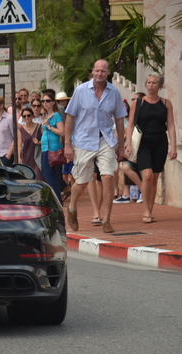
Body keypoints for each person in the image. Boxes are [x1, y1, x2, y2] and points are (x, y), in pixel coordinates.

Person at [64, 59, 127, 234]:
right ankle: (72, 207)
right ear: (92, 71)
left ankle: (106, 219)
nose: (100, 74)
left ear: (108, 73)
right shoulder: (81, 90)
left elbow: (120, 119)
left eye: (103, 71)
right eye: (97, 71)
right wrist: (68, 144)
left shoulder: (114, 92)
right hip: (84, 140)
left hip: (105, 138)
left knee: (108, 177)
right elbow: (70, 118)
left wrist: (121, 145)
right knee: (82, 182)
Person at [125, 73, 178, 223]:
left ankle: (150, 210)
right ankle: (146, 211)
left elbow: (171, 126)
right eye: (148, 82)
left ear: (159, 86)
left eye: (154, 83)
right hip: (143, 142)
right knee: (147, 176)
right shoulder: (139, 102)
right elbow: (130, 124)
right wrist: (128, 144)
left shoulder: (166, 103)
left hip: (160, 142)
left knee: (154, 179)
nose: (151, 85)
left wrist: (173, 146)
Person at [40, 94, 65, 205]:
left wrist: (49, 126)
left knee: (51, 177)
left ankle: (57, 202)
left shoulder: (56, 116)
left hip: (53, 149)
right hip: (45, 148)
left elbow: (62, 131)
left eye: (48, 101)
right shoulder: (46, 116)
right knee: (47, 176)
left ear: (53, 102)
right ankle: (55, 200)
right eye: (43, 101)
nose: (45, 103)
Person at [17, 107, 44, 180]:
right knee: (28, 180)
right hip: (26, 157)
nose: (27, 117)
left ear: (32, 116)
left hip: (37, 157)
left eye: (28, 115)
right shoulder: (20, 130)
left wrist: (39, 142)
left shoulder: (39, 127)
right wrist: (19, 157)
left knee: (39, 178)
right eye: (24, 116)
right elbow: (19, 146)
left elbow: (45, 141)